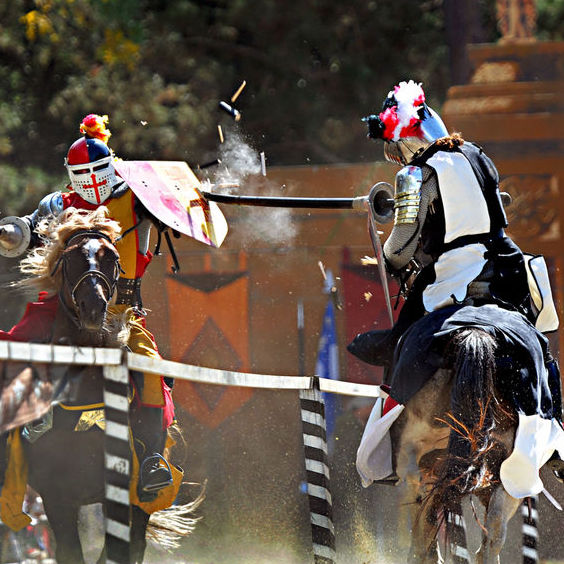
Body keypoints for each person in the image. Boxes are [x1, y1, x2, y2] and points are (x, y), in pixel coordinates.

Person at [348, 80, 564, 492]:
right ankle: (557, 432)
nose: (396, 158)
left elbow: (402, 244)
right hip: (502, 271)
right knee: (537, 344)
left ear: (406, 141)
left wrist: (388, 260)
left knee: (401, 341)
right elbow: (495, 213)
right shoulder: (477, 155)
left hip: (448, 278)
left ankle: (395, 431)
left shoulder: (416, 174)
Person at [0, 114, 175, 501]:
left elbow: (172, 209)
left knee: (150, 371)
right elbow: (27, 230)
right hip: (62, 306)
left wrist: (187, 201)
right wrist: (12, 232)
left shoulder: (136, 196)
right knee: (12, 354)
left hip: (122, 313)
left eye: (97, 169)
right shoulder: (58, 203)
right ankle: (9, 446)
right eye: (83, 172)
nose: (92, 179)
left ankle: (150, 459)